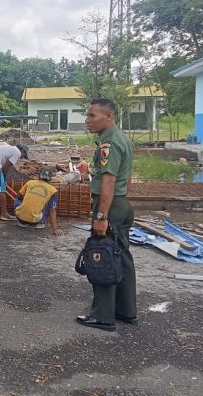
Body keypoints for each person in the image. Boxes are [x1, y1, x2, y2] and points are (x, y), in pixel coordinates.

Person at [76, 98, 136, 332]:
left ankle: (103, 315)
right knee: (123, 258)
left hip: (109, 207)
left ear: (108, 116)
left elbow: (108, 182)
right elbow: (127, 177)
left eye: (92, 115)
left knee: (103, 257)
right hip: (121, 204)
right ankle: (126, 311)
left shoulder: (109, 143)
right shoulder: (123, 139)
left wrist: (101, 216)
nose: (87, 120)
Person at [13, 168, 64, 236]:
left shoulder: (30, 182)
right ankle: (40, 223)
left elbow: (18, 196)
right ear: (50, 179)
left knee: (17, 201)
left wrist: (28, 197)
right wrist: (55, 229)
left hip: (20, 219)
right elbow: (52, 210)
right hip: (35, 221)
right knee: (46, 203)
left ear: (39, 177)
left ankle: (23, 221)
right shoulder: (53, 190)